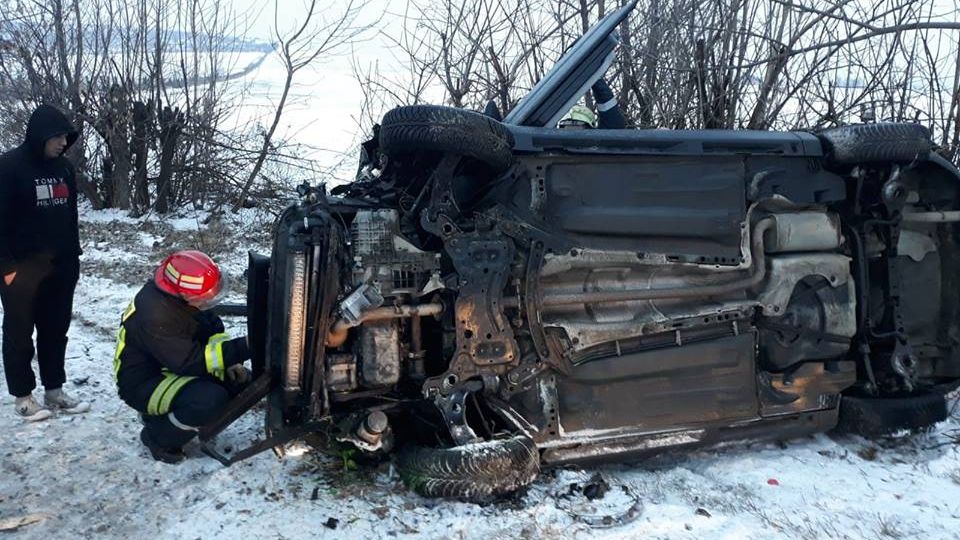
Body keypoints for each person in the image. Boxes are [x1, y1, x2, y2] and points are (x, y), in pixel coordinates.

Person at [114, 250, 251, 463]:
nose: (211, 300)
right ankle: (158, 436)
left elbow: (213, 329)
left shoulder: (183, 300)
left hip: (171, 367)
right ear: (185, 294)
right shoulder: (154, 313)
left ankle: (175, 419)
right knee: (208, 400)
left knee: (240, 382)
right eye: (207, 296)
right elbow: (190, 362)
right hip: (144, 382)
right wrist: (244, 347)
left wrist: (232, 361)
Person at [0, 104, 89, 421]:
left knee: (55, 331)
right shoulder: (9, 167)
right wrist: (7, 270)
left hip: (61, 268)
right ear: (40, 136)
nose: (64, 142)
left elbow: (70, 217)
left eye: (66, 137)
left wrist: (73, 259)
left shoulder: (64, 168)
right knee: (19, 334)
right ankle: (24, 398)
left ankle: (54, 391)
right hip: (21, 269)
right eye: (58, 137)